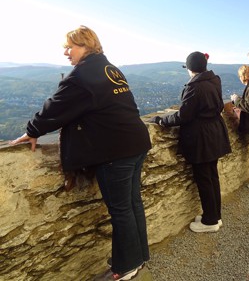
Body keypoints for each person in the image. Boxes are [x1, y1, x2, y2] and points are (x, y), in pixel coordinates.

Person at [10, 26, 151, 280]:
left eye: (69, 47)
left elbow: (55, 108)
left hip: (115, 149)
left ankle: (127, 266)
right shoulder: (110, 69)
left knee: (121, 210)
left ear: (85, 45)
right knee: (132, 204)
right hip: (136, 142)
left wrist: (32, 130)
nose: (66, 53)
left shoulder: (83, 75)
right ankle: (139, 257)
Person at [150, 52, 231, 233]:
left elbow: (184, 115)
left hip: (202, 137)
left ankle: (210, 221)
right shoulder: (214, 80)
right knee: (212, 176)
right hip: (215, 132)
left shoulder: (195, 87)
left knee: (204, 178)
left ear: (190, 68)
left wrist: (162, 120)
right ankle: (215, 216)